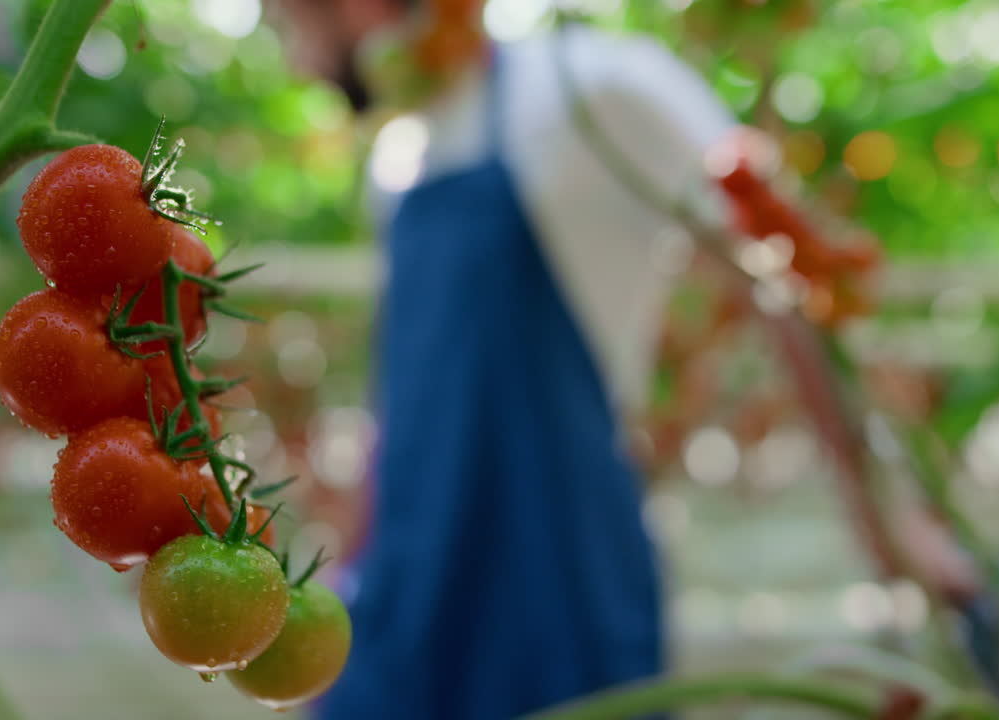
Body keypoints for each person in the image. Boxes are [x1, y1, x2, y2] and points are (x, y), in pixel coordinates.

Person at [266, 1, 737, 717]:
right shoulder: (399, 159)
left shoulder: (592, 86)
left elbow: (782, 266)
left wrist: (898, 532)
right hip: (411, 574)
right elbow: (399, 397)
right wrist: (350, 573)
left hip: (561, 576)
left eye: (289, 24)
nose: (297, 62)